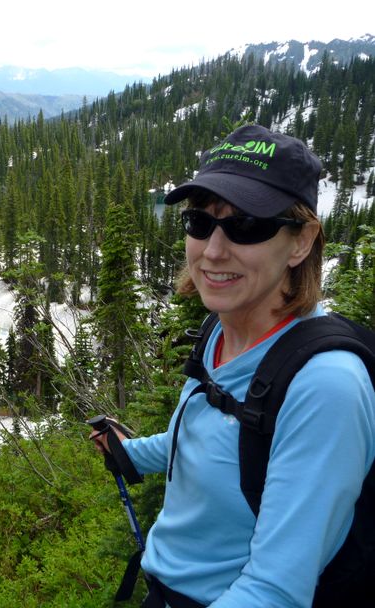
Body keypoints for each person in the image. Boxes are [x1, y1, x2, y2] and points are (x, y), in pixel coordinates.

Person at [91, 124, 375, 607]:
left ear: (301, 241)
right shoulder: (222, 329)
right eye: (200, 222)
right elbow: (214, 436)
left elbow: (274, 590)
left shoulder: (326, 386)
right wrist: (133, 454)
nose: (214, 250)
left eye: (246, 225)